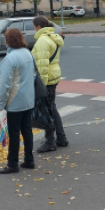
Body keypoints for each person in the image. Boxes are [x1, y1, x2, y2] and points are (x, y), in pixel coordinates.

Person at [0, 28, 35, 174]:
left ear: (8, 41)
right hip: (28, 99)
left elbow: (5, 84)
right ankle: (29, 160)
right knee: (27, 131)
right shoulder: (27, 53)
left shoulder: (10, 58)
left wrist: (1, 104)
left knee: (13, 133)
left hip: (14, 101)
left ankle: (12, 164)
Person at [31, 16, 67, 152]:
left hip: (47, 79)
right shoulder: (53, 37)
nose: (33, 29)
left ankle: (50, 142)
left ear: (38, 27)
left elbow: (42, 66)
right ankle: (61, 138)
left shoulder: (42, 41)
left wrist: (42, 86)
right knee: (52, 108)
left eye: (34, 27)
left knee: (47, 110)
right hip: (54, 75)